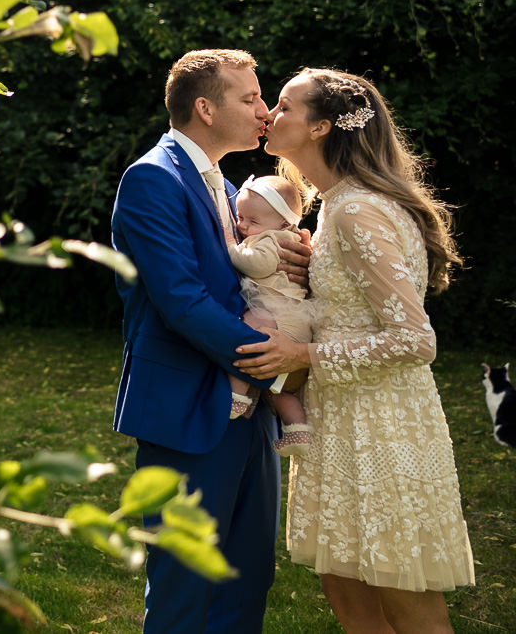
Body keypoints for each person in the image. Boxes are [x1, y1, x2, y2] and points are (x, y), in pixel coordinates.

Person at [236, 69, 475, 634]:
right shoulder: (333, 208)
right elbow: (348, 302)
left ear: (320, 126)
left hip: (384, 426)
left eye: (286, 106)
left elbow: (417, 340)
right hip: (339, 420)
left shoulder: (355, 209)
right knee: (351, 600)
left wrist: (303, 357)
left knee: (405, 603)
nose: (271, 113)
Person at [111, 49, 311, 634]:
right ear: (204, 107)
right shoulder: (152, 178)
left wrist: (294, 265)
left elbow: (245, 275)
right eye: (249, 98)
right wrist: (277, 369)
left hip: (252, 420)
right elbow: (182, 302)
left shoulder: (225, 183)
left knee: (248, 581)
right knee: (184, 589)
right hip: (187, 410)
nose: (264, 110)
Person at [225, 174, 315, 457]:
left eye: (252, 221)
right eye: (240, 217)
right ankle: (297, 429)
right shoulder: (283, 234)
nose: (242, 225)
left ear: (284, 222)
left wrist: (232, 247)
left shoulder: (270, 239)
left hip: (276, 316)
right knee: (281, 389)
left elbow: (259, 265)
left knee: (248, 336)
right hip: (297, 320)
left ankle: (238, 396)